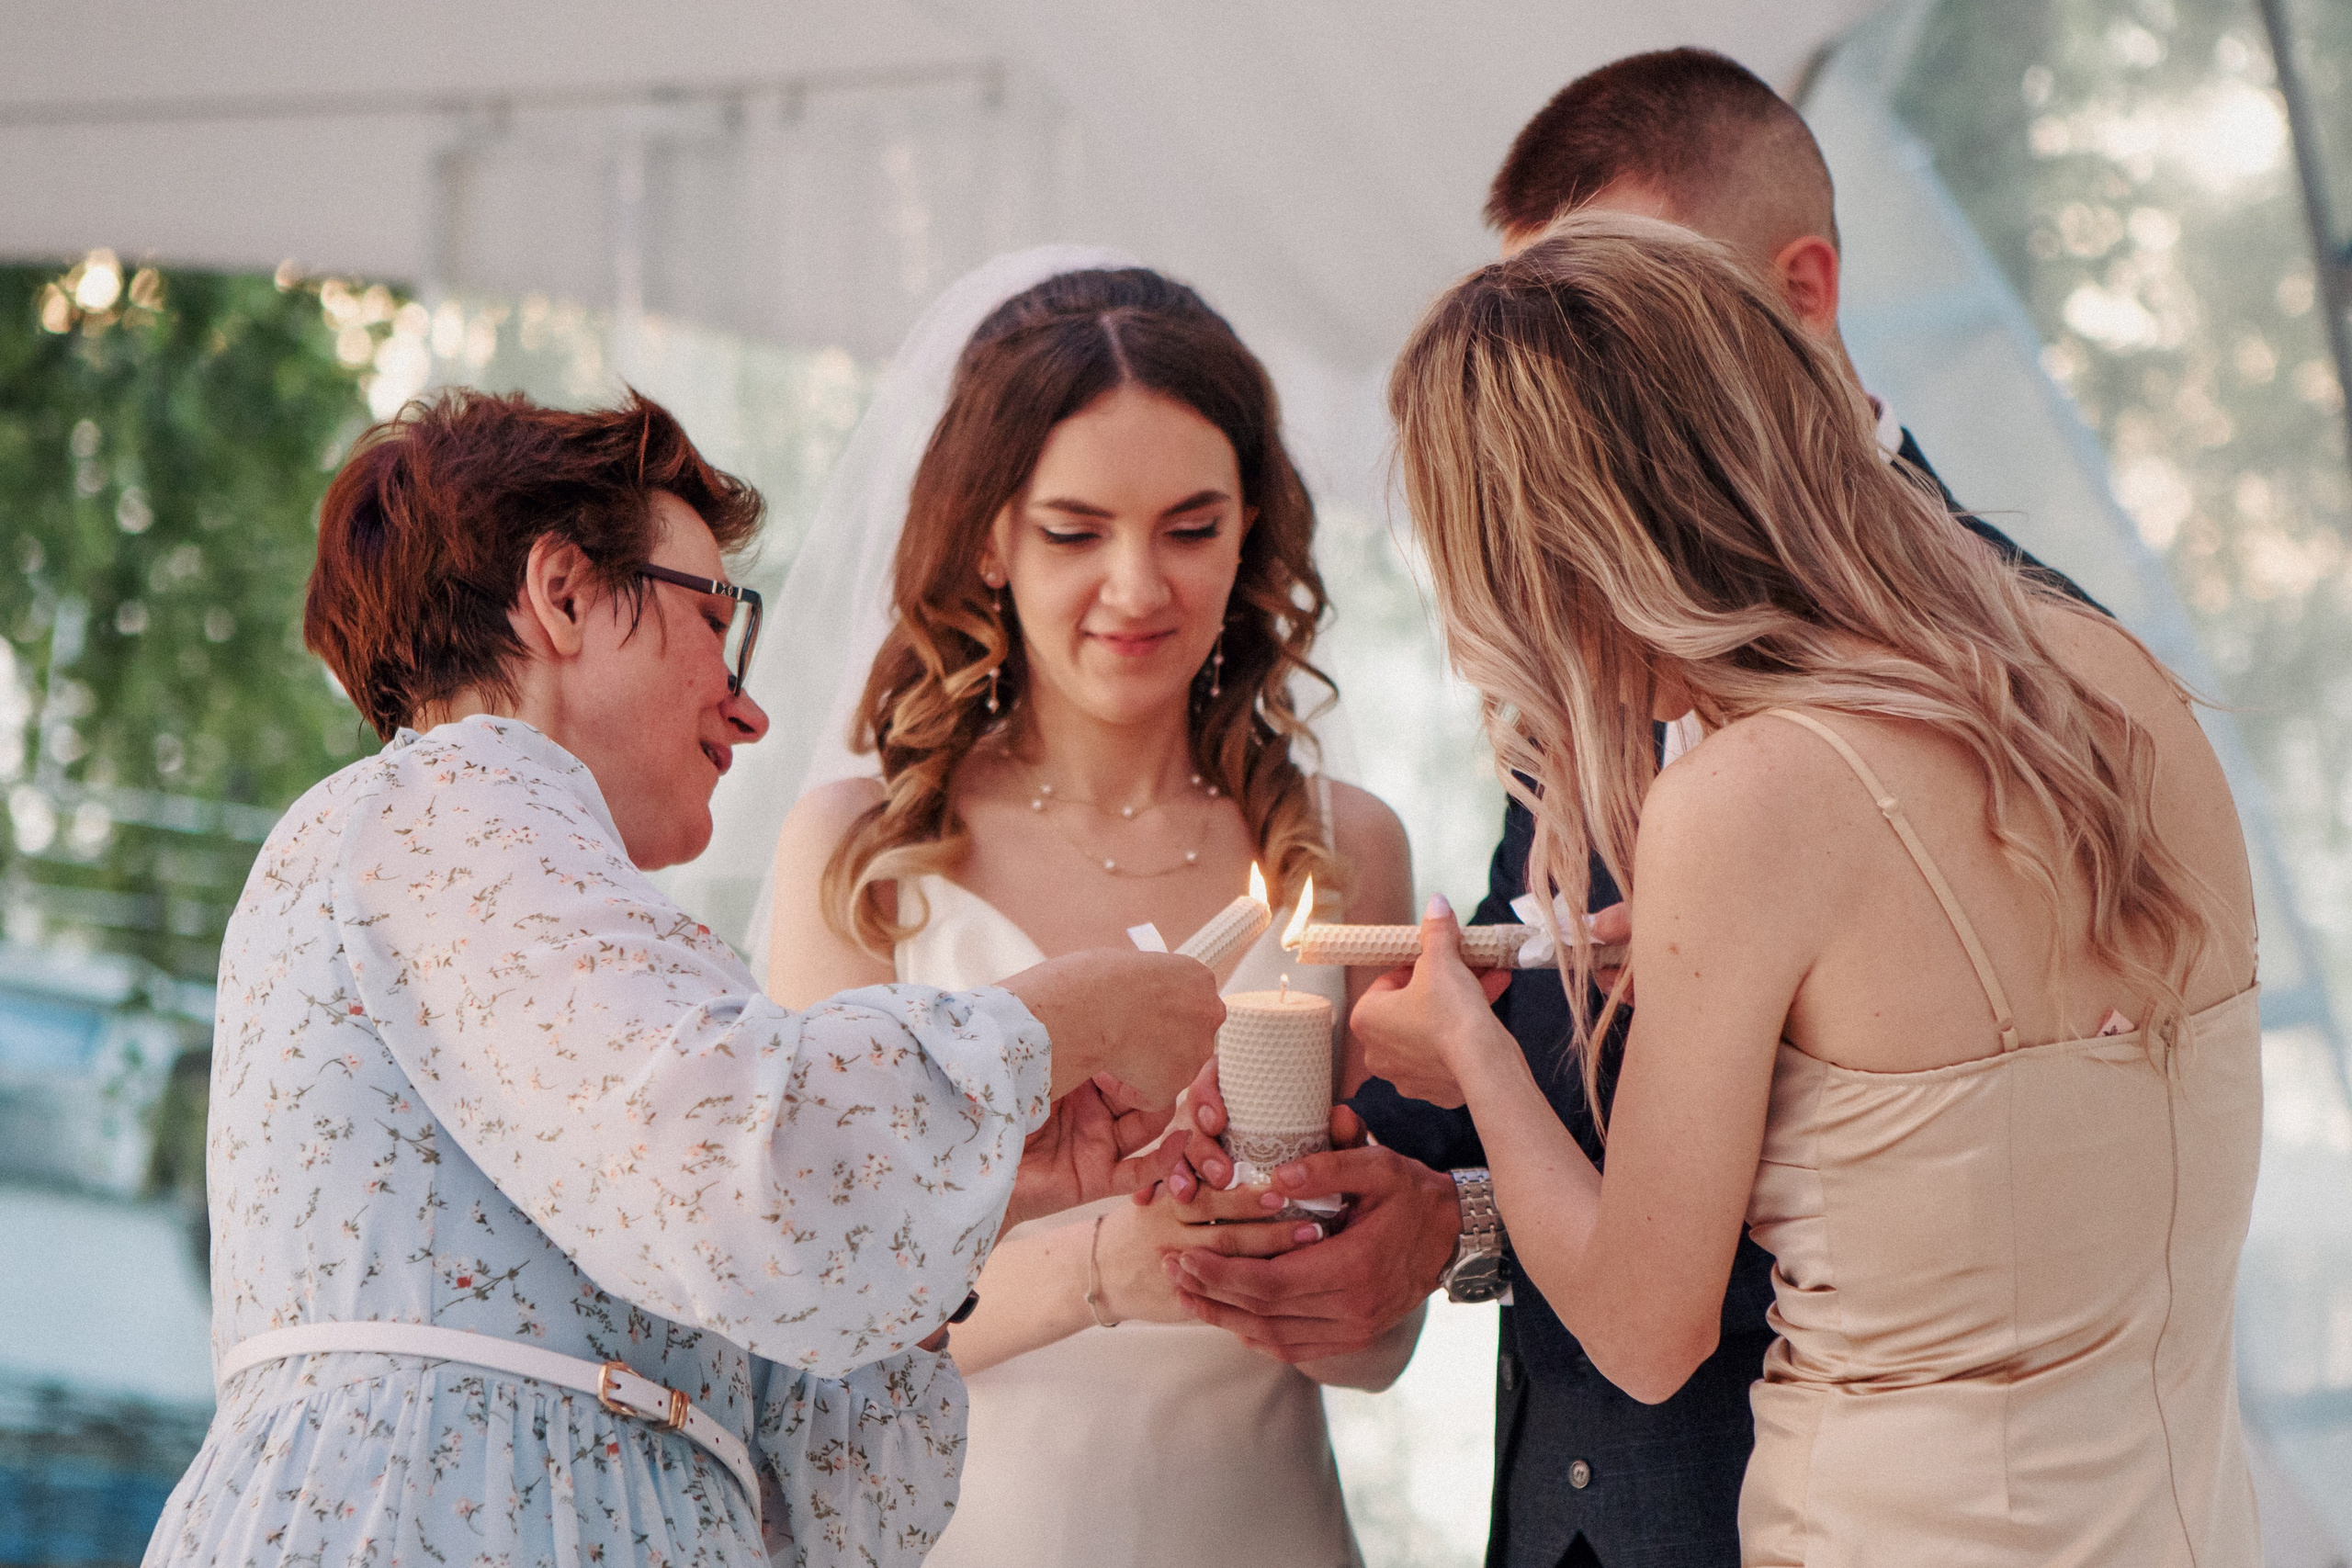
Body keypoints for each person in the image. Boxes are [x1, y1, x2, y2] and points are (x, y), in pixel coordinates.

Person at [1166, 49, 2099, 1568]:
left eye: (1626, 319)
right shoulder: (1590, 626)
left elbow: (1979, 1187)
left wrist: (1495, 1149)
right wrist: (1373, 1165)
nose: (1580, 396)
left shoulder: (2013, 670)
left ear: (1799, 293)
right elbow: (1531, 1030)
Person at [143, 389, 1223, 1568]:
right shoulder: (452, 796)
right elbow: (726, 1158)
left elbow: (834, 1503)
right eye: (716, 618)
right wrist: (1051, 1022)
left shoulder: (549, 924)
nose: (748, 712)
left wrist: (976, 1196)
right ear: (563, 593)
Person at [1359, 210, 2260, 1566]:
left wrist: (1471, 1052)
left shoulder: (1747, 798)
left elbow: (1645, 1330)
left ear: (1570, 554)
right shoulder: (2113, 676)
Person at [763, 254, 1421, 1568]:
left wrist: (1346, 1274)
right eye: (1074, 533)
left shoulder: (1347, 845)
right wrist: (1112, 1266)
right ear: (989, 538)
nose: (1137, 587)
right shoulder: (863, 856)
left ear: (1251, 533)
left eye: (1191, 528)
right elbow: (812, 1313)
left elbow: (1375, 1348)